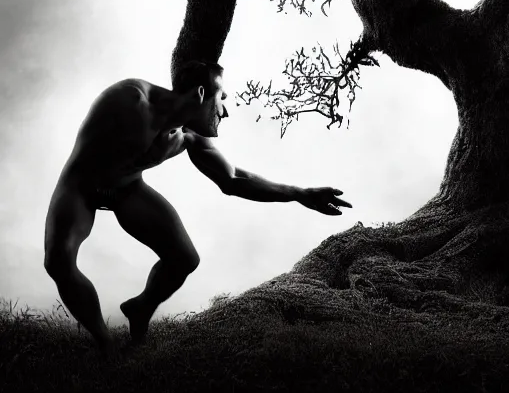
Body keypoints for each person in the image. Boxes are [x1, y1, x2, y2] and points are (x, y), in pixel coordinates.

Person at [43, 60, 351, 357]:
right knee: (58, 261)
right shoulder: (131, 100)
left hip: (126, 188)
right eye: (223, 99)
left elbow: (233, 179)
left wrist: (300, 193)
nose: (226, 112)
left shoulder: (189, 136)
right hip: (82, 184)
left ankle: (141, 307)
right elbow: (98, 151)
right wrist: (103, 181)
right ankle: (104, 343)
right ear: (201, 94)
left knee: (184, 258)